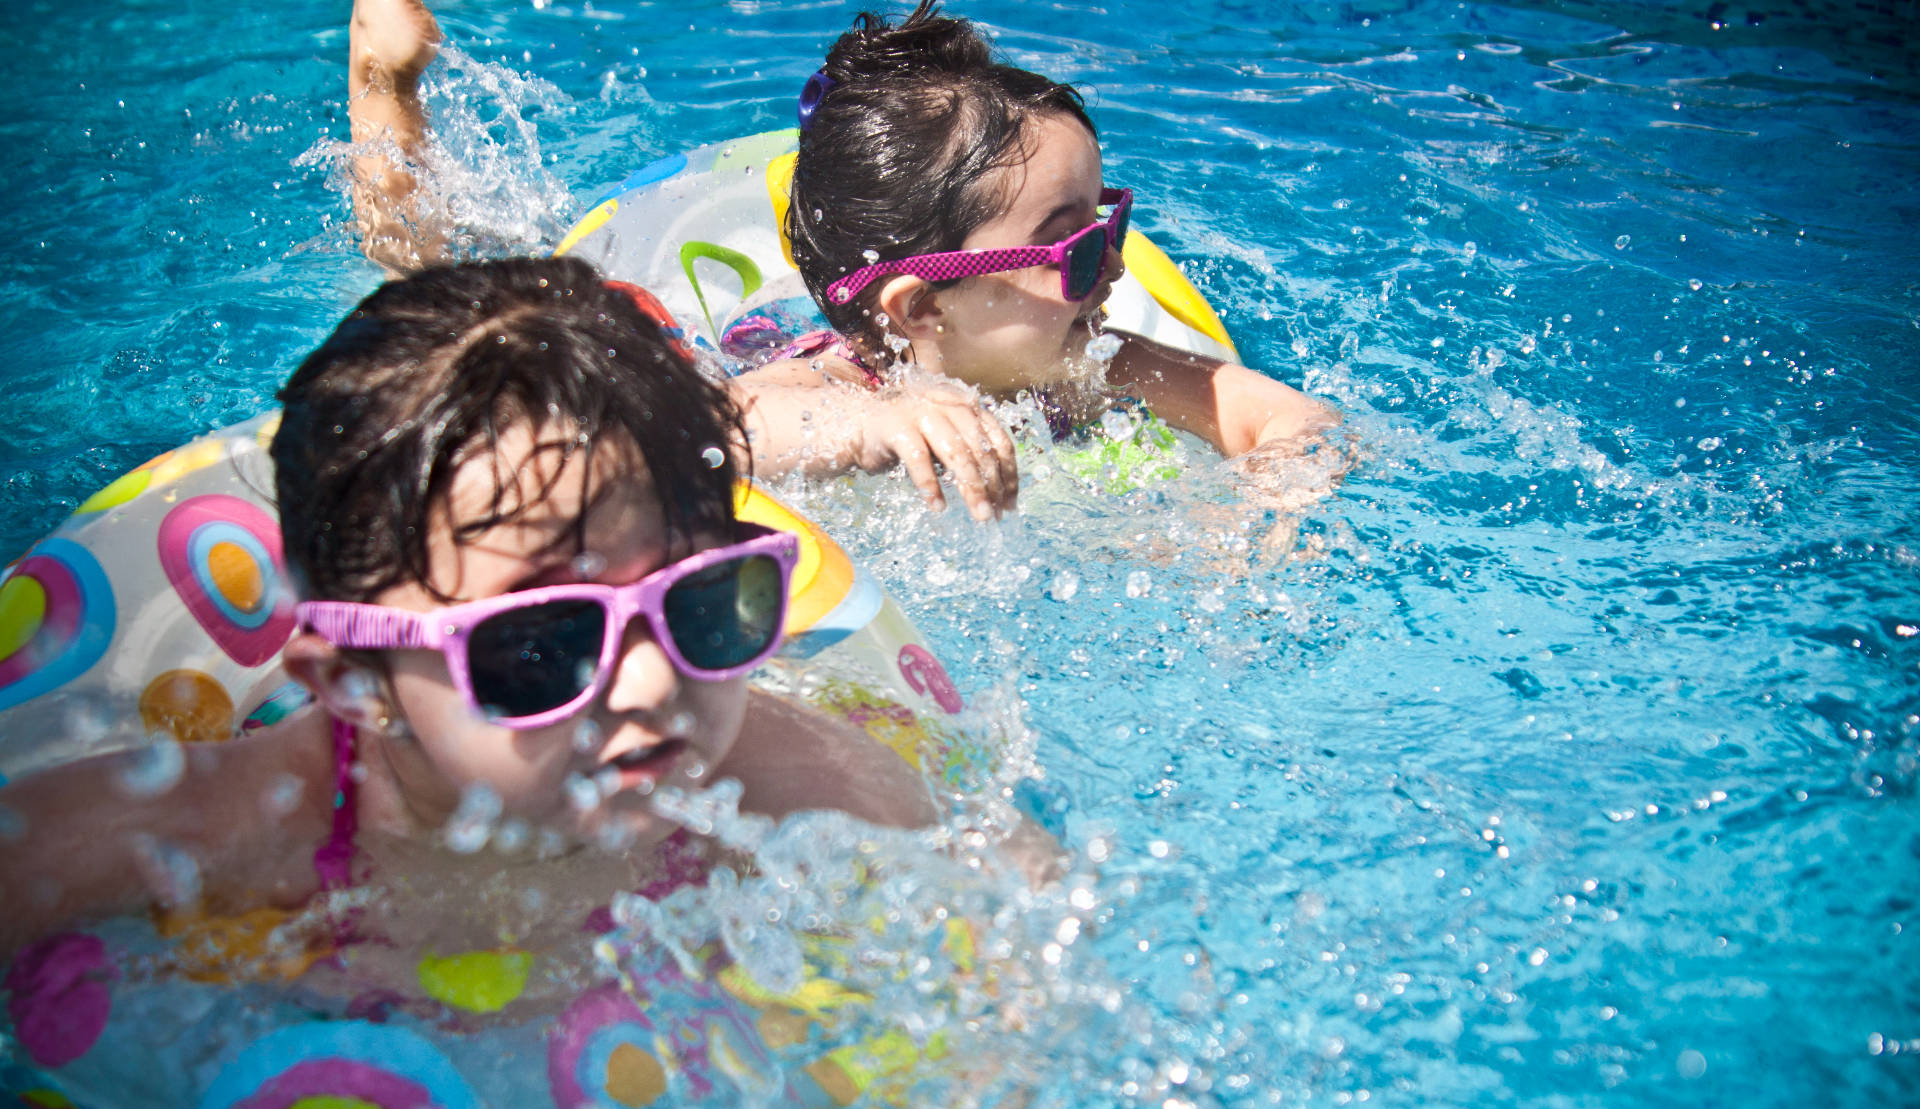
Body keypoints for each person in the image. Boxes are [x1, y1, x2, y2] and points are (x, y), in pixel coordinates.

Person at [0, 256, 935, 967]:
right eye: (543, 643)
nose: (654, 683)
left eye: (700, 606)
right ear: (355, 681)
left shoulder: (796, 790)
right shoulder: (199, 840)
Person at [346, 0, 1341, 524]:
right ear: (916, 310)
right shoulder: (835, 378)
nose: (1112, 273)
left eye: (1111, 227)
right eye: (1075, 251)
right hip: (718, 346)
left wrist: (1276, 501)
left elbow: (1282, 417)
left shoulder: (1100, 361)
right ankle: (385, 86)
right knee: (444, 299)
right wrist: (872, 420)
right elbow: (716, 437)